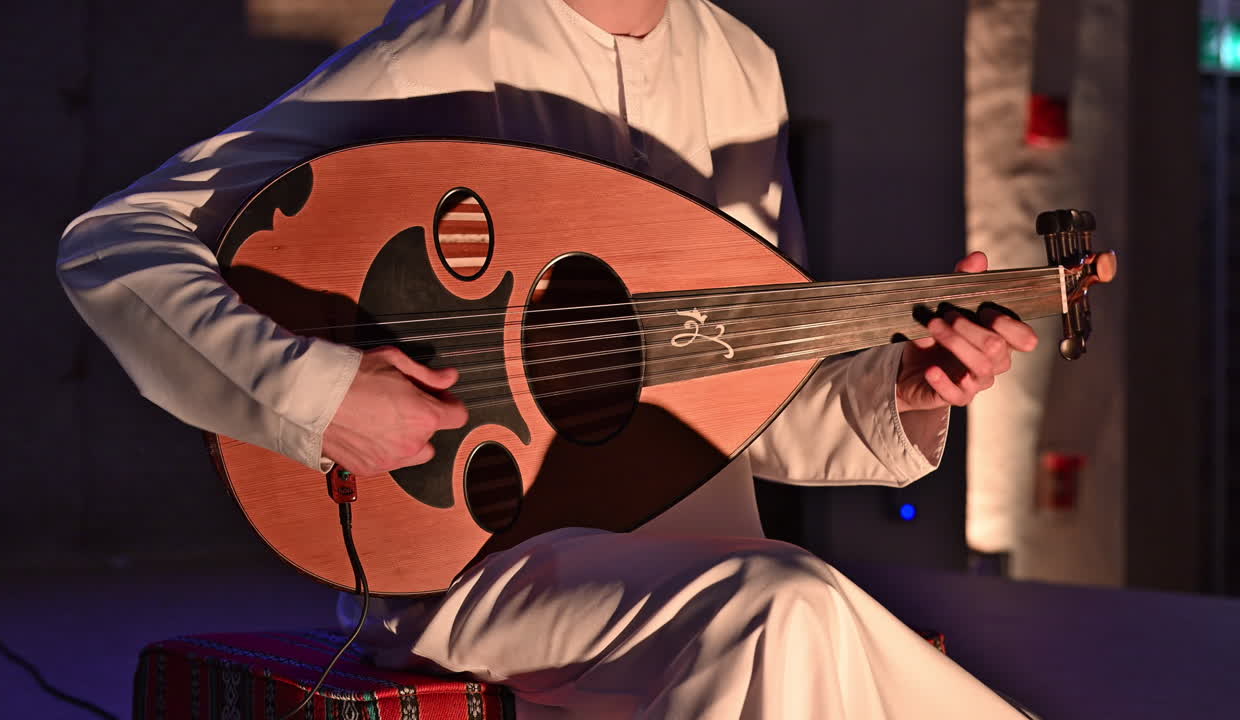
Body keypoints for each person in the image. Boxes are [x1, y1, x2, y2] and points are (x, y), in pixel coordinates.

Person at [57, 1, 1038, 717]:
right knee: (783, 605)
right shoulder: (450, 45)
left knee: (789, 603)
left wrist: (901, 391)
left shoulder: (740, 65)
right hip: (473, 556)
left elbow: (744, 387)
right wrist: (318, 393)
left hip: (701, 562)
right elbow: (114, 242)